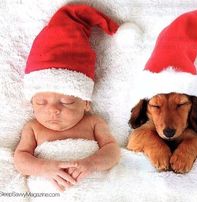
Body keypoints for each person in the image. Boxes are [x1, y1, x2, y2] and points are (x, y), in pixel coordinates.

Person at [13, 4, 121, 192]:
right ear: (32, 103)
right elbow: (21, 160)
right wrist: (44, 168)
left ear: (85, 102)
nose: (53, 110)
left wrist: (91, 163)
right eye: (41, 102)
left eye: (66, 101)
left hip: (96, 188)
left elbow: (113, 151)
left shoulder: (93, 123)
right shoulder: (33, 128)